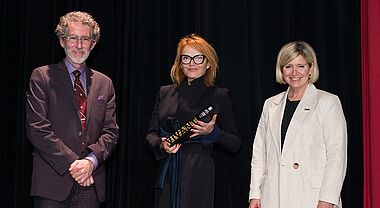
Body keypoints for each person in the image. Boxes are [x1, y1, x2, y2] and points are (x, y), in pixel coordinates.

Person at [26, 11, 119, 207]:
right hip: (52, 184)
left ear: (93, 44)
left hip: (90, 183)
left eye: (85, 39)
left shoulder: (105, 83)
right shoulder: (42, 77)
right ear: (62, 41)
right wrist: (77, 164)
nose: (79, 45)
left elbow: (110, 133)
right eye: (73, 38)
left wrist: (90, 162)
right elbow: (37, 129)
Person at [146, 33, 241, 208]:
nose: (192, 63)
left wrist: (212, 133)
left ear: (208, 63)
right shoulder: (165, 92)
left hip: (199, 171)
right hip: (167, 170)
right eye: (186, 58)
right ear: (179, 63)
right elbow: (151, 134)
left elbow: (235, 143)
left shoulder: (220, 96)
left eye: (198, 58)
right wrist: (161, 144)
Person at [248, 41, 347, 208]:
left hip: (312, 197)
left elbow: (337, 155)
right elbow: (259, 154)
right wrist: (255, 194)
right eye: (288, 66)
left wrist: (328, 199)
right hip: (272, 196)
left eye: (301, 66)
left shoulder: (328, 102)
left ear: (310, 68)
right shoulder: (271, 105)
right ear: (281, 70)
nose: (294, 72)